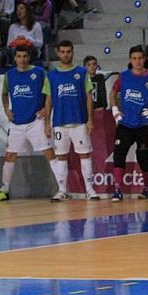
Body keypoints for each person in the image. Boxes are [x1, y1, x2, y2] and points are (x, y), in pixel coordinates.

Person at [108, 45, 148, 201]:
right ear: (130, 60)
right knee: (119, 154)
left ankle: (147, 189)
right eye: (134, 58)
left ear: (144, 59)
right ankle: (117, 190)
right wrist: (115, 111)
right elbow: (112, 92)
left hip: (144, 124)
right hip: (125, 123)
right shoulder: (123, 76)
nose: (137, 61)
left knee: (143, 156)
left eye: (140, 58)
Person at [0, 46, 53, 202]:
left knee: (49, 152)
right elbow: (4, 94)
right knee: (10, 155)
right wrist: (6, 108)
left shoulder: (39, 73)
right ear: (15, 58)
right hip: (17, 123)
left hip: (36, 121)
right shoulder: (9, 75)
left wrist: (46, 110)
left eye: (25, 56)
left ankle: (62, 188)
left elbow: (49, 94)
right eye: (19, 56)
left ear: (29, 57)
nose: (22, 59)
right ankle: (4, 190)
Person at [43, 40, 99, 201]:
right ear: (58, 53)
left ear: (72, 52)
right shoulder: (52, 75)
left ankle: (90, 190)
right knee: (61, 156)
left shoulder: (82, 73)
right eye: (63, 51)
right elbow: (48, 100)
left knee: (85, 155)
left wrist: (89, 119)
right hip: (60, 122)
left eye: (69, 51)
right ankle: (62, 190)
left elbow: (89, 96)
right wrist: (47, 123)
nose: (66, 54)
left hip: (79, 121)